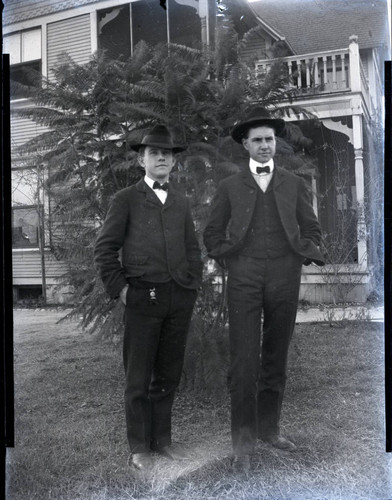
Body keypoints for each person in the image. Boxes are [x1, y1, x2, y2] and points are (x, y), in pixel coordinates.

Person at [203, 109, 325, 472]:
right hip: (244, 277)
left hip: (285, 276)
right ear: (245, 145)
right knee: (244, 359)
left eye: (269, 139)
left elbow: (312, 228)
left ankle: (269, 429)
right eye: (257, 140)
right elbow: (212, 234)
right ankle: (242, 442)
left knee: (275, 354)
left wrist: (302, 255)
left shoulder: (293, 183)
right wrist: (232, 258)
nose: (264, 146)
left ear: (276, 143)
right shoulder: (229, 187)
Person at [94, 125, 203, 472]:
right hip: (142, 298)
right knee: (138, 377)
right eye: (154, 153)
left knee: (168, 374)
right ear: (142, 159)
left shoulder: (181, 201)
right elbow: (105, 250)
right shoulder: (125, 199)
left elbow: (191, 248)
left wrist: (191, 285)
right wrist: (123, 290)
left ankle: (163, 441)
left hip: (178, 298)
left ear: (173, 162)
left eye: (167, 154)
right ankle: (140, 446)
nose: (161, 158)